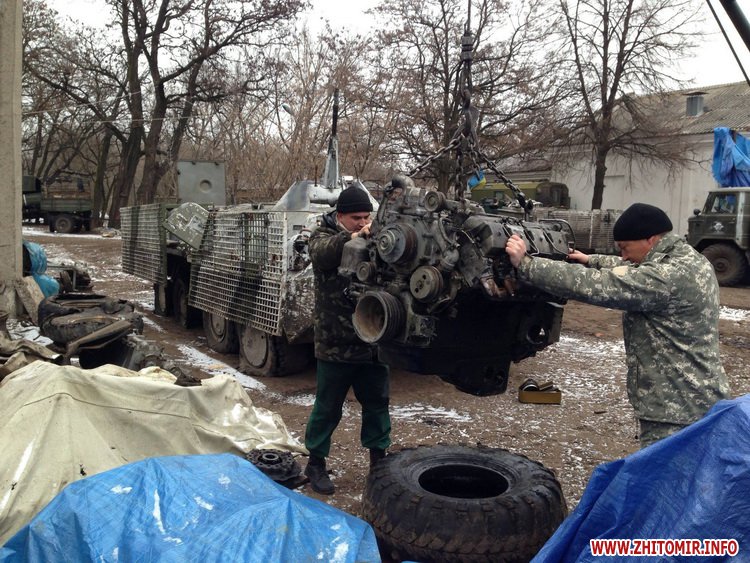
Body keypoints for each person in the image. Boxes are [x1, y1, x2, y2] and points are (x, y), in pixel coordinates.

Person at [505, 202, 731, 447]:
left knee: (663, 470)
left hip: (676, 410)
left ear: (650, 239)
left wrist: (527, 264)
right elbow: (634, 268)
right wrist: (590, 260)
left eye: (624, 247)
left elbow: (599, 285)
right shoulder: (688, 259)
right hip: (694, 398)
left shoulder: (666, 277)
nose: (622, 255)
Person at [303, 186, 391, 494]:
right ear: (340, 216)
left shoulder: (377, 236)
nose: (363, 222)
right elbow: (321, 254)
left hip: (372, 342)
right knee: (327, 407)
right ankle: (315, 463)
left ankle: (379, 462)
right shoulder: (322, 235)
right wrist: (352, 237)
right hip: (336, 343)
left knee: (377, 405)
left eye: (367, 217)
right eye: (356, 217)